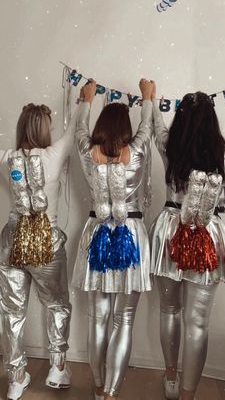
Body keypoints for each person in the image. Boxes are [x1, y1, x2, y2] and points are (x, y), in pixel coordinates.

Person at [150, 84, 225, 400]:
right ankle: (188, 395)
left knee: (169, 310)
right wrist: (214, 205)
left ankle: (171, 378)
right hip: (208, 234)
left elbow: (155, 126)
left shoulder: (169, 147)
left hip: (169, 232)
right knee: (197, 323)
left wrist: (148, 100)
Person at [72, 79, 153, 400]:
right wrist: (147, 98)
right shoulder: (137, 151)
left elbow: (80, 129)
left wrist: (86, 100)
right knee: (125, 319)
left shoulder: (86, 150)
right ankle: (111, 393)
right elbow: (147, 126)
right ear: (126, 128)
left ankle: (96, 387)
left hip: (97, 234)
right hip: (131, 234)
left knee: (98, 317)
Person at [0, 101, 80, 399]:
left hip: (11, 239)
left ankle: (16, 378)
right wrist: (85, 99)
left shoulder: (7, 158)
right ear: (43, 129)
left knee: (12, 312)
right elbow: (74, 129)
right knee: (57, 304)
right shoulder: (53, 155)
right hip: (47, 241)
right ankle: (57, 367)